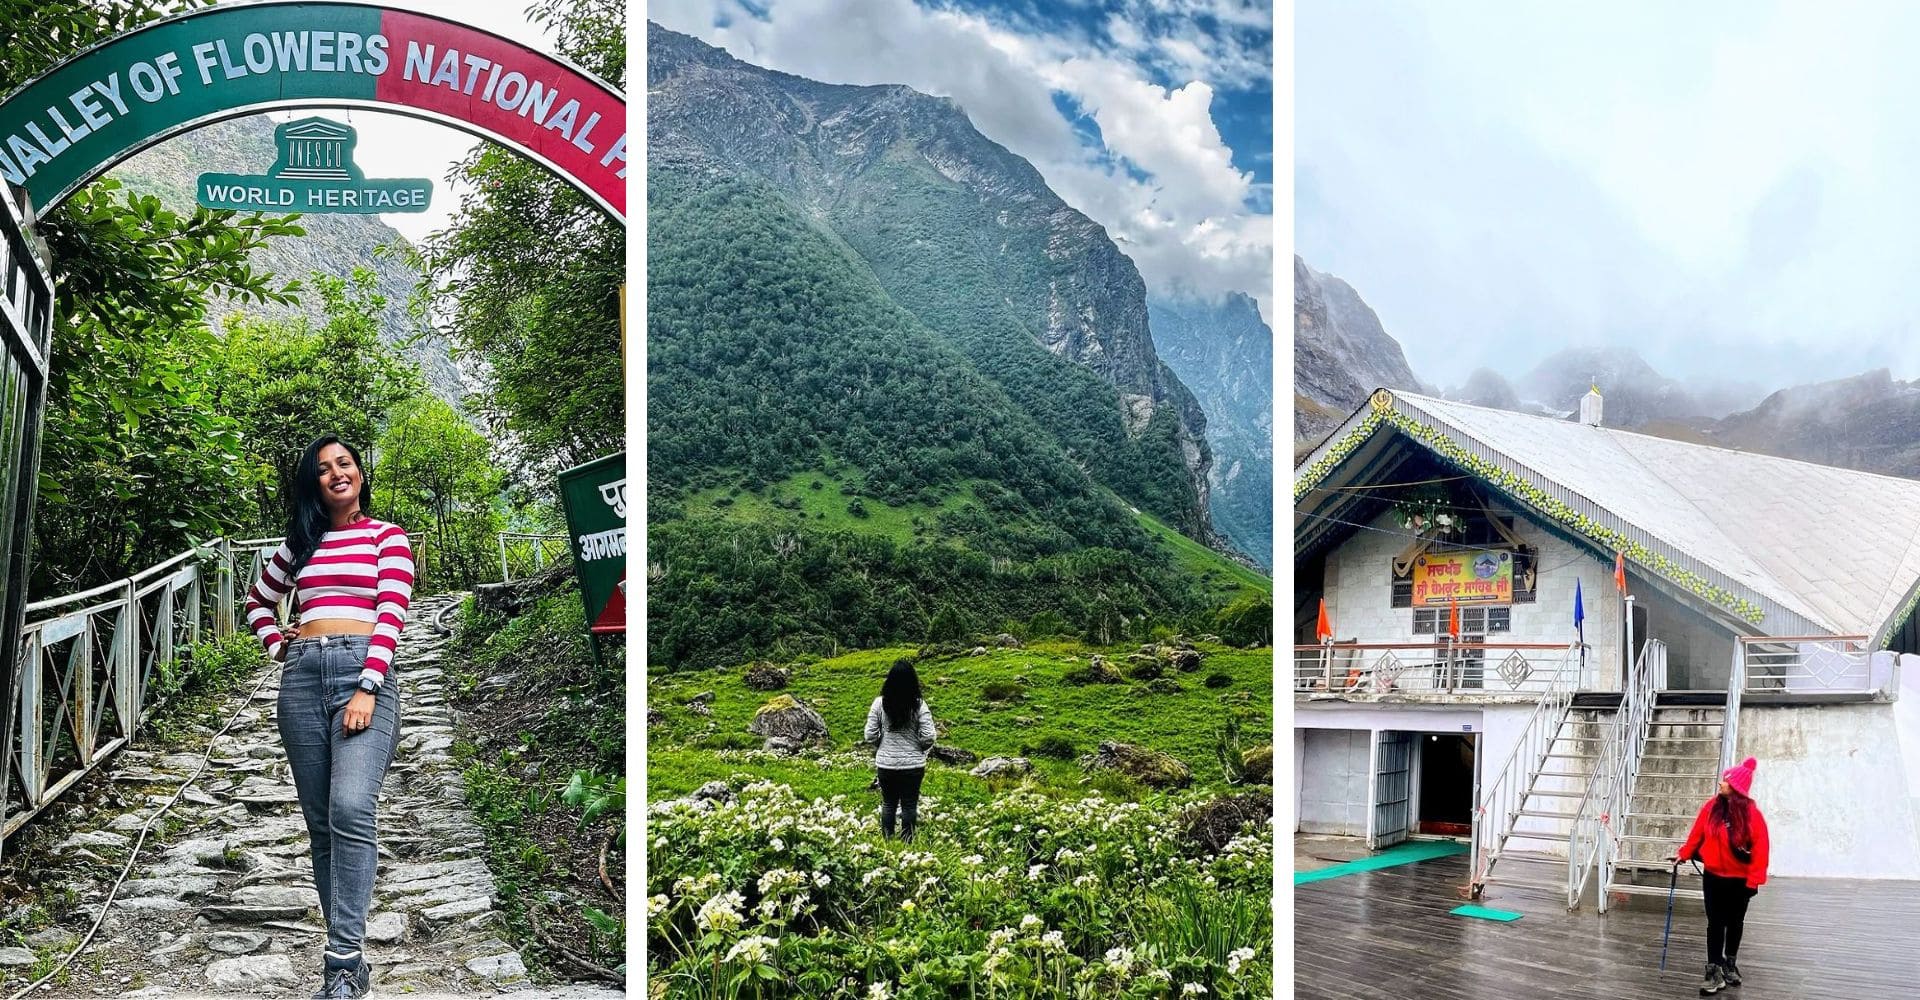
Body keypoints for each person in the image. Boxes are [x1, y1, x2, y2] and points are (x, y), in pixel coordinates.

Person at [246, 436, 413, 999]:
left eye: (344, 463)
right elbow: (257, 603)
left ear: (360, 473)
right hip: (302, 678)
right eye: (323, 469)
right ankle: (347, 961)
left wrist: (367, 685)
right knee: (321, 823)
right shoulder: (300, 545)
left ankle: (342, 961)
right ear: (312, 484)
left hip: (362, 675)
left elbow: (391, 612)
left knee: (350, 806)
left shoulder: (386, 536)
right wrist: (279, 646)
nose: (336, 474)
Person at [1669, 756, 1770, 996]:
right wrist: (1683, 854)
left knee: (1735, 922)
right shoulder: (1711, 807)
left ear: (1735, 787)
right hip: (1713, 876)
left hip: (1739, 880)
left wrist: (1753, 881)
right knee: (1715, 922)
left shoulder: (1752, 816)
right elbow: (1696, 834)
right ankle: (1713, 970)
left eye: (1725, 781)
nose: (1720, 784)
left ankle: (1730, 963)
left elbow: (1761, 850)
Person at [864, 658, 938, 842]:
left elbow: (870, 735)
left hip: (886, 764)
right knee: (909, 806)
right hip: (913, 766)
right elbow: (929, 736)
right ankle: (907, 843)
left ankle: (887, 842)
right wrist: (919, 748)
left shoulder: (879, 704)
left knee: (888, 804)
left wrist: (882, 745)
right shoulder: (919, 704)